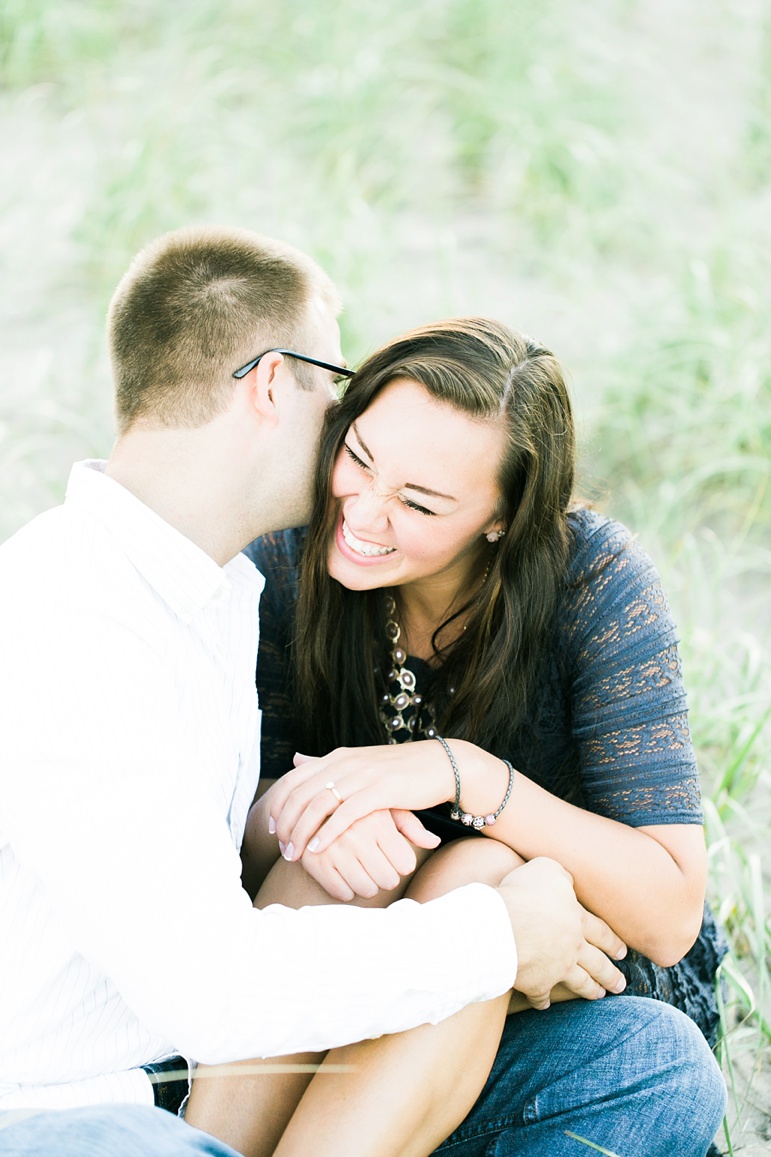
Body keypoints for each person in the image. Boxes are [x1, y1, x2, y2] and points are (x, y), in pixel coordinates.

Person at [0, 230, 634, 1157]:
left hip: (190, 1084)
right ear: (269, 384)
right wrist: (496, 938)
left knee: (642, 1061)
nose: (344, 424)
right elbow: (215, 990)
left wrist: (315, 815)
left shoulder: (211, 592)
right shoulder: (70, 616)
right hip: (66, 1118)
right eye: (334, 387)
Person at [189, 318, 728, 1156]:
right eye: (359, 457)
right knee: (345, 842)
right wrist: (318, 813)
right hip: (323, 996)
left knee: (657, 1068)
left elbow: (667, 915)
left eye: (419, 501)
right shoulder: (288, 560)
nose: (362, 511)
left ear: (502, 520)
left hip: (535, 999)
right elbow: (216, 853)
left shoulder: (594, 583)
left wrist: (462, 774)